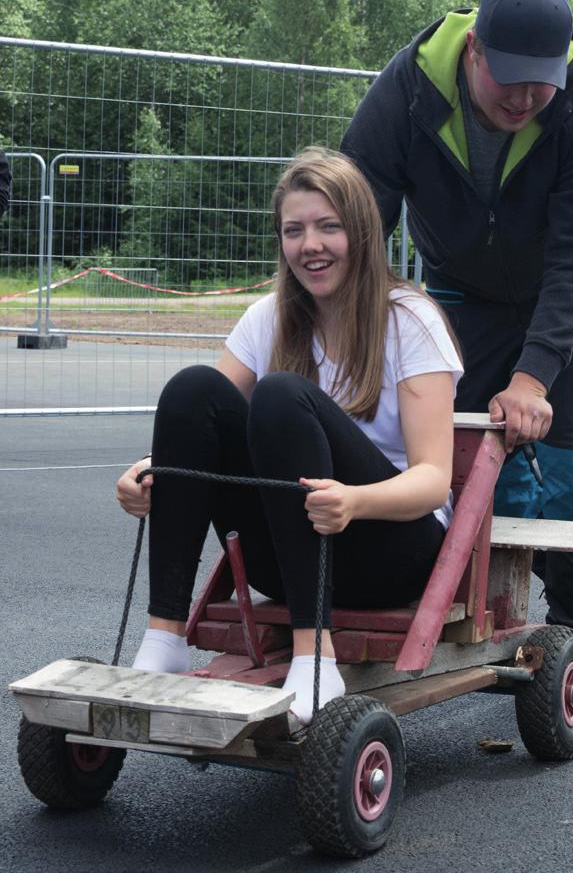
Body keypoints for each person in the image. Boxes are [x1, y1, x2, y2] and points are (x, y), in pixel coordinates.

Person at [341, 0, 573, 703]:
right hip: (464, 301)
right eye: (510, 79)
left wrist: (533, 378)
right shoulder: (408, 90)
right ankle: (492, 620)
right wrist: (341, 337)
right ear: (474, 50)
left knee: (572, 475)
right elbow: (356, 215)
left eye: (543, 83)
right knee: (468, 467)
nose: (527, 99)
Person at [117, 148, 463, 725]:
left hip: (391, 552)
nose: (311, 245)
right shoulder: (268, 317)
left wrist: (354, 502)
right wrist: (151, 470)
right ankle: (164, 639)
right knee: (191, 389)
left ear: (362, 233)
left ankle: (315, 655)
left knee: (280, 394)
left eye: (329, 227)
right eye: (295, 230)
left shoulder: (410, 320)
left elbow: (432, 482)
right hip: (287, 557)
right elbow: (199, 423)